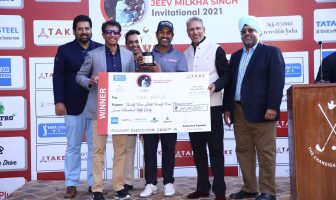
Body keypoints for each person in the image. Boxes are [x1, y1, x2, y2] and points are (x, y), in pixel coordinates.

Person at [223, 16, 285, 200]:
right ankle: (250, 188)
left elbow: (277, 81)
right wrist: (227, 108)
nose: (247, 34)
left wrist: (273, 106)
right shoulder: (235, 56)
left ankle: (268, 191)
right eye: (244, 31)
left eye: (251, 30)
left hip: (263, 112)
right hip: (238, 111)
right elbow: (230, 84)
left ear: (258, 32)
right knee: (243, 151)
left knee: (265, 152)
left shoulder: (271, 52)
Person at [76, 20, 135, 200]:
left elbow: (133, 80)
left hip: (120, 110)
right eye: (109, 32)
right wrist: (90, 81)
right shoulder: (93, 55)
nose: (112, 35)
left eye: (116, 32)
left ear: (119, 35)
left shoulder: (128, 55)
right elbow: (79, 76)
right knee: (98, 151)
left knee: (120, 150)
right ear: (103, 35)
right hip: (98, 109)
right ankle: (97, 189)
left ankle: (118, 186)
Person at [52, 15, 102, 199]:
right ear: (74, 31)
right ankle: (71, 183)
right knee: (73, 146)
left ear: (91, 29)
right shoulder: (64, 50)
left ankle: (92, 183)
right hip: (73, 105)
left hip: (97, 105)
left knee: (93, 147)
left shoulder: (100, 48)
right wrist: (59, 101)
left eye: (87, 28)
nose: (84, 32)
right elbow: (58, 77)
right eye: (80, 29)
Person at [139, 20, 188, 198]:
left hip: (169, 110)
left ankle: (168, 182)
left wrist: (160, 75)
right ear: (156, 34)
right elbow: (139, 81)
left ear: (172, 35)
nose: (165, 35)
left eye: (168, 32)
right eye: (162, 32)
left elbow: (183, 83)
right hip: (149, 109)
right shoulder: (147, 53)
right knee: (150, 149)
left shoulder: (180, 56)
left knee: (168, 147)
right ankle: (150, 183)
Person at [183, 17, 229, 200]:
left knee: (216, 150)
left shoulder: (216, 48)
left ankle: (219, 191)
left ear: (204, 29)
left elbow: (227, 75)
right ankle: (202, 188)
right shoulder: (184, 53)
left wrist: (216, 85)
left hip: (213, 106)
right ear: (187, 32)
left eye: (198, 28)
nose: (195, 32)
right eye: (192, 29)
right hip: (193, 109)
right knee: (198, 150)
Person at [122, 29, 141, 191]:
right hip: (128, 109)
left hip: (148, 108)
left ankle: (150, 181)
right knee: (128, 146)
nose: (135, 45)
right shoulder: (121, 59)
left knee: (149, 147)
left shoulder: (151, 57)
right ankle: (127, 181)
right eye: (131, 42)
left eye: (137, 42)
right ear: (126, 45)